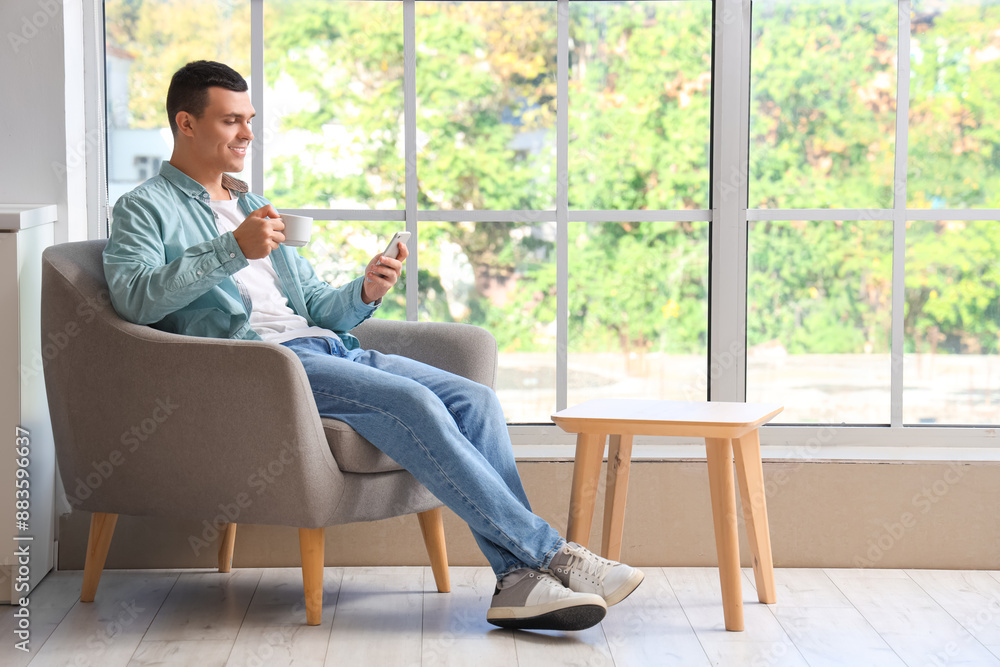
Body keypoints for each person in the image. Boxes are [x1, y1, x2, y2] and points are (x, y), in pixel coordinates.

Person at [103, 60, 643, 632]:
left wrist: (364, 289)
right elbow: (134, 300)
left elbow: (311, 305)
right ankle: (552, 555)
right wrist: (230, 250)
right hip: (261, 367)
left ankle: (515, 583)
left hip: (325, 349)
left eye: (251, 120)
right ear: (186, 123)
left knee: (475, 400)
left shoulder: (250, 201)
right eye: (231, 120)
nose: (248, 134)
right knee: (413, 404)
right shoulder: (143, 207)